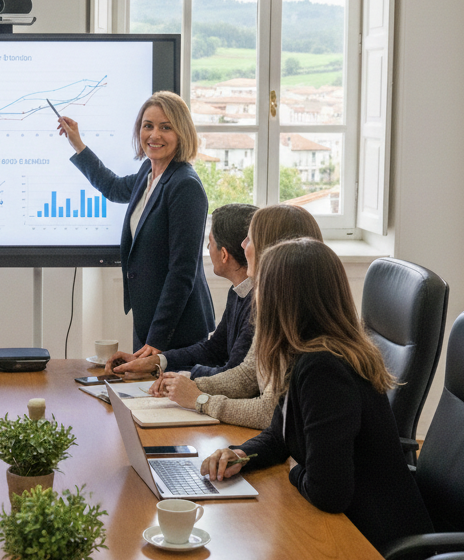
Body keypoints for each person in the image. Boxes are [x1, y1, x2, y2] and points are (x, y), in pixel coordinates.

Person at [200, 237, 433, 553]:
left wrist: (292, 470)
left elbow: (328, 493)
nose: (257, 302)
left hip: (383, 553)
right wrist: (241, 455)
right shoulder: (306, 353)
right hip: (359, 531)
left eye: (263, 291)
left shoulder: (323, 368)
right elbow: (280, 435)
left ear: (285, 301)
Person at [138, 203, 323, 429]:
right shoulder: (275, 308)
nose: (243, 246)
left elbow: (270, 413)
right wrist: (184, 383)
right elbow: (246, 374)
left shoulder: (300, 326)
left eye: (250, 238)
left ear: (275, 252)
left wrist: (199, 399)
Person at [58, 91, 214, 351]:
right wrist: (78, 145)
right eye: (147, 126)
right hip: (149, 321)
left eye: (166, 127)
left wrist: (156, 339)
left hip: (176, 329)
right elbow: (113, 187)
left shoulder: (184, 185)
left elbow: (182, 272)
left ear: (182, 133)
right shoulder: (149, 171)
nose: (154, 135)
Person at [104, 202, 256, 379]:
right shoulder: (238, 291)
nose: (207, 249)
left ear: (224, 254)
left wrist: (170, 375)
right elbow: (213, 350)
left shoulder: (258, 303)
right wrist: (154, 362)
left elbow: (232, 375)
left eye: (210, 244)